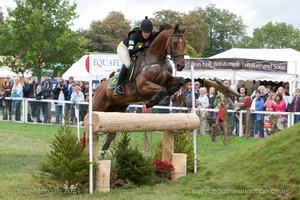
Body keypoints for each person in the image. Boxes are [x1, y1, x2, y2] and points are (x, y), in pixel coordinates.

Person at [114, 16, 155, 96]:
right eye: (145, 32)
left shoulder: (151, 36)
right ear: (141, 30)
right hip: (124, 48)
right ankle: (118, 87)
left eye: (148, 32)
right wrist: (142, 47)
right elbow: (130, 52)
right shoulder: (134, 35)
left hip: (136, 51)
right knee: (127, 64)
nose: (147, 34)